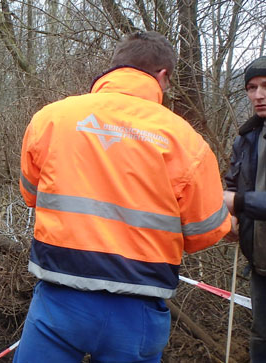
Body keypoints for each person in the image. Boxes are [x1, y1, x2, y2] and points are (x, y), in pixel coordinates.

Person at [17, 31, 231, 362]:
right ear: (162, 75)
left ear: (115, 68)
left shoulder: (51, 118)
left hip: (59, 297)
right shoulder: (186, 141)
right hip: (137, 306)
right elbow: (204, 233)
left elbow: (31, 194)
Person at [223, 55, 266, 362]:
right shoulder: (247, 137)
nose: (258, 95)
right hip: (260, 261)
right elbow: (234, 183)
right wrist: (232, 216)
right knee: (261, 337)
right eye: (251, 87)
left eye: (265, 86)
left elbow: (235, 196)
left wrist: (237, 203)